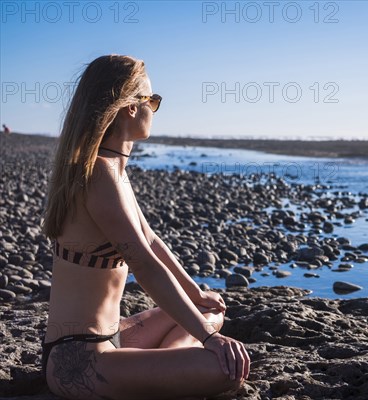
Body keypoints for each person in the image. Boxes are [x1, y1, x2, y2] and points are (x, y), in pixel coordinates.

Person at [41, 55, 250, 400]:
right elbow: (143, 263)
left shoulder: (115, 170)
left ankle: (165, 364)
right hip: (79, 360)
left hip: (113, 337)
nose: (155, 107)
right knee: (224, 370)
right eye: (152, 100)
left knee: (209, 310)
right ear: (130, 108)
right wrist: (210, 339)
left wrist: (196, 295)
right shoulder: (98, 174)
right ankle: (174, 363)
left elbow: (151, 242)